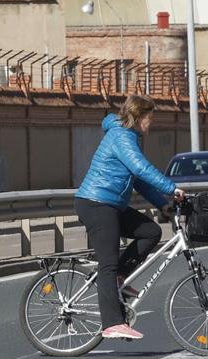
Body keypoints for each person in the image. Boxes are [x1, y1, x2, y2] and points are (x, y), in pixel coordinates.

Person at [74, 94, 184, 339]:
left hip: (111, 205)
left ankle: (120, 276)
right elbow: (141, 168)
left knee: (151, 232)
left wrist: (162, 204)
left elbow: (138, 180)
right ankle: (112, 323)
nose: (151, 123)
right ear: (138, 117)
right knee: (108, 265)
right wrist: (171, 188)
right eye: (150, 118)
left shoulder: (129, 137)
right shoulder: (120, 137)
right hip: (96, 204)